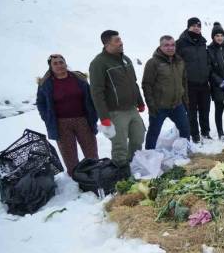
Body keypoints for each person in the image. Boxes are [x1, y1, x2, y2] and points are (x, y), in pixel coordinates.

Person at [89, 30, 145, 169]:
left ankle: (134, 166)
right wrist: (104, 117)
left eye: (120, 40)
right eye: (117, 41)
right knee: (120, 145)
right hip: (115, 112)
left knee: (138, 138)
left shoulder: (125, 59)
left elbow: (134, 82)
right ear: (107, 44)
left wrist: (140, 101)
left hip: (132, 109)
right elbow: (97, 92)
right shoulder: (99, 63)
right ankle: (121, 173)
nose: (121, 43)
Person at [36, 54, 98, 176]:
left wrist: (94, 115)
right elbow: (41, 102)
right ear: (51, 67)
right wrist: (47, 118)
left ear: (65, 63)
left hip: (83, 120)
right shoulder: (45, 83)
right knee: (69, 155)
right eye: (55, 63)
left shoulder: (79, 78)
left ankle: (95, 172)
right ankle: (76, 177)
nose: (59, 65)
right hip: (61, 123)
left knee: (91, 151)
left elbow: (91, 98)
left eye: (61, 62)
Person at [142, 35, 190, 150]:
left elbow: (184, 82)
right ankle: (149, 156)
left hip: (177, 105)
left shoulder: (179, 61)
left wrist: (185, 101)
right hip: (159, 107)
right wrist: (151, 105)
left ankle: (185, 150)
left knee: (185, 129)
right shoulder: (153, 63)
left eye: (173, 45)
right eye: (166, 45)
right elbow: (146, 85)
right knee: (154, 133)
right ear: (160, 46)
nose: (170, 48)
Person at [176, 17, 211, 143]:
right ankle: (195, 135)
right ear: (189, 27)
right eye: (194, 26)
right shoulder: (180, 43)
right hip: (189, 84)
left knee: (205, 109)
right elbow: (176, 63)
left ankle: (206, 132)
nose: (197, 28)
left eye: (199, 26)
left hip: (204, 83)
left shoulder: (203, 42)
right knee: (191, 112)